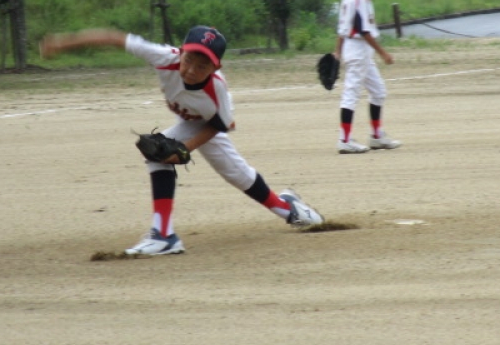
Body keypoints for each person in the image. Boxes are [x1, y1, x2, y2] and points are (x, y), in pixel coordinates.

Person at [40, 25, 324, 256]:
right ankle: (165, 234)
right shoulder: (164, 57)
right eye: (189, 60)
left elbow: (222, 125)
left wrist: (185, 149)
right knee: (160, 153)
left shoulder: (217, 90)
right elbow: (114, 38)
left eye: (202, 66)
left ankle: (288, 209)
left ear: (216, 67)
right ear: (181, 50)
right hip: (189, 121)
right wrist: (64, 43)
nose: (191, 70)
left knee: (237, 175)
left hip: (208, 126)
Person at [334, 0, 401, 154]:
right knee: (351, 94)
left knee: (378, 91)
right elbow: (363, 31)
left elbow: (343, 29)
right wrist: (383, 53)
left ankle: (377, 136)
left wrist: (337, 52)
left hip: (358, 50)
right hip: (358, 50)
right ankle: (345, 140)